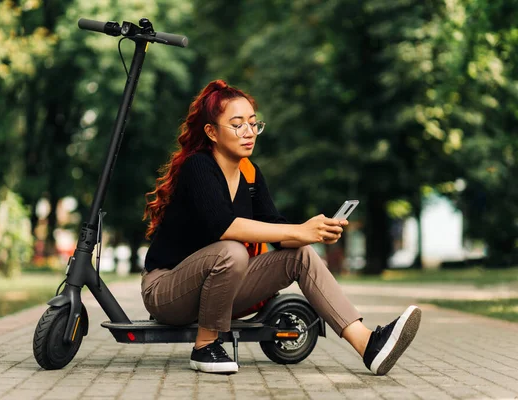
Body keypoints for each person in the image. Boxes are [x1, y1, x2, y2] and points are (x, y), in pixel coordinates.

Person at [142, 79, 421, 375]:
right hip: (167, 290)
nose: (249, 132)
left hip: (217, 289)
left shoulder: (250, 173)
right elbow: (223, 226)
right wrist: (299, 231)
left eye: (253, 123)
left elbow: (275, 228)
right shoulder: (198, 167)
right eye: (237, 125)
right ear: (211, 132)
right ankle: (205, 346)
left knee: (300, 254)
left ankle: (368, 345)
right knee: (232, 250)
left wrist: (314, 230)